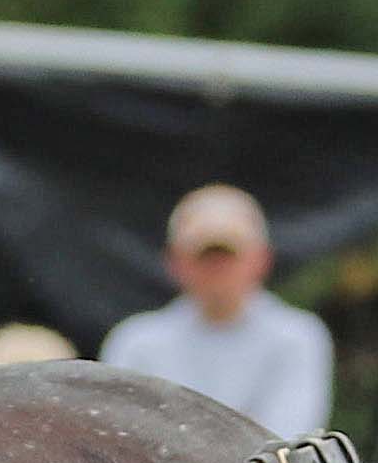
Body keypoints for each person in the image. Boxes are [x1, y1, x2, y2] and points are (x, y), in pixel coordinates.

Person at [98, 184, 332, 438]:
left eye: (228, 255)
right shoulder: (136, 341)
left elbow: (286, 438)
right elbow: (121, 439)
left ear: (261, 259)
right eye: (204, 256)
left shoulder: (297, 336)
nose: (217, 269)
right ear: (174, 262)